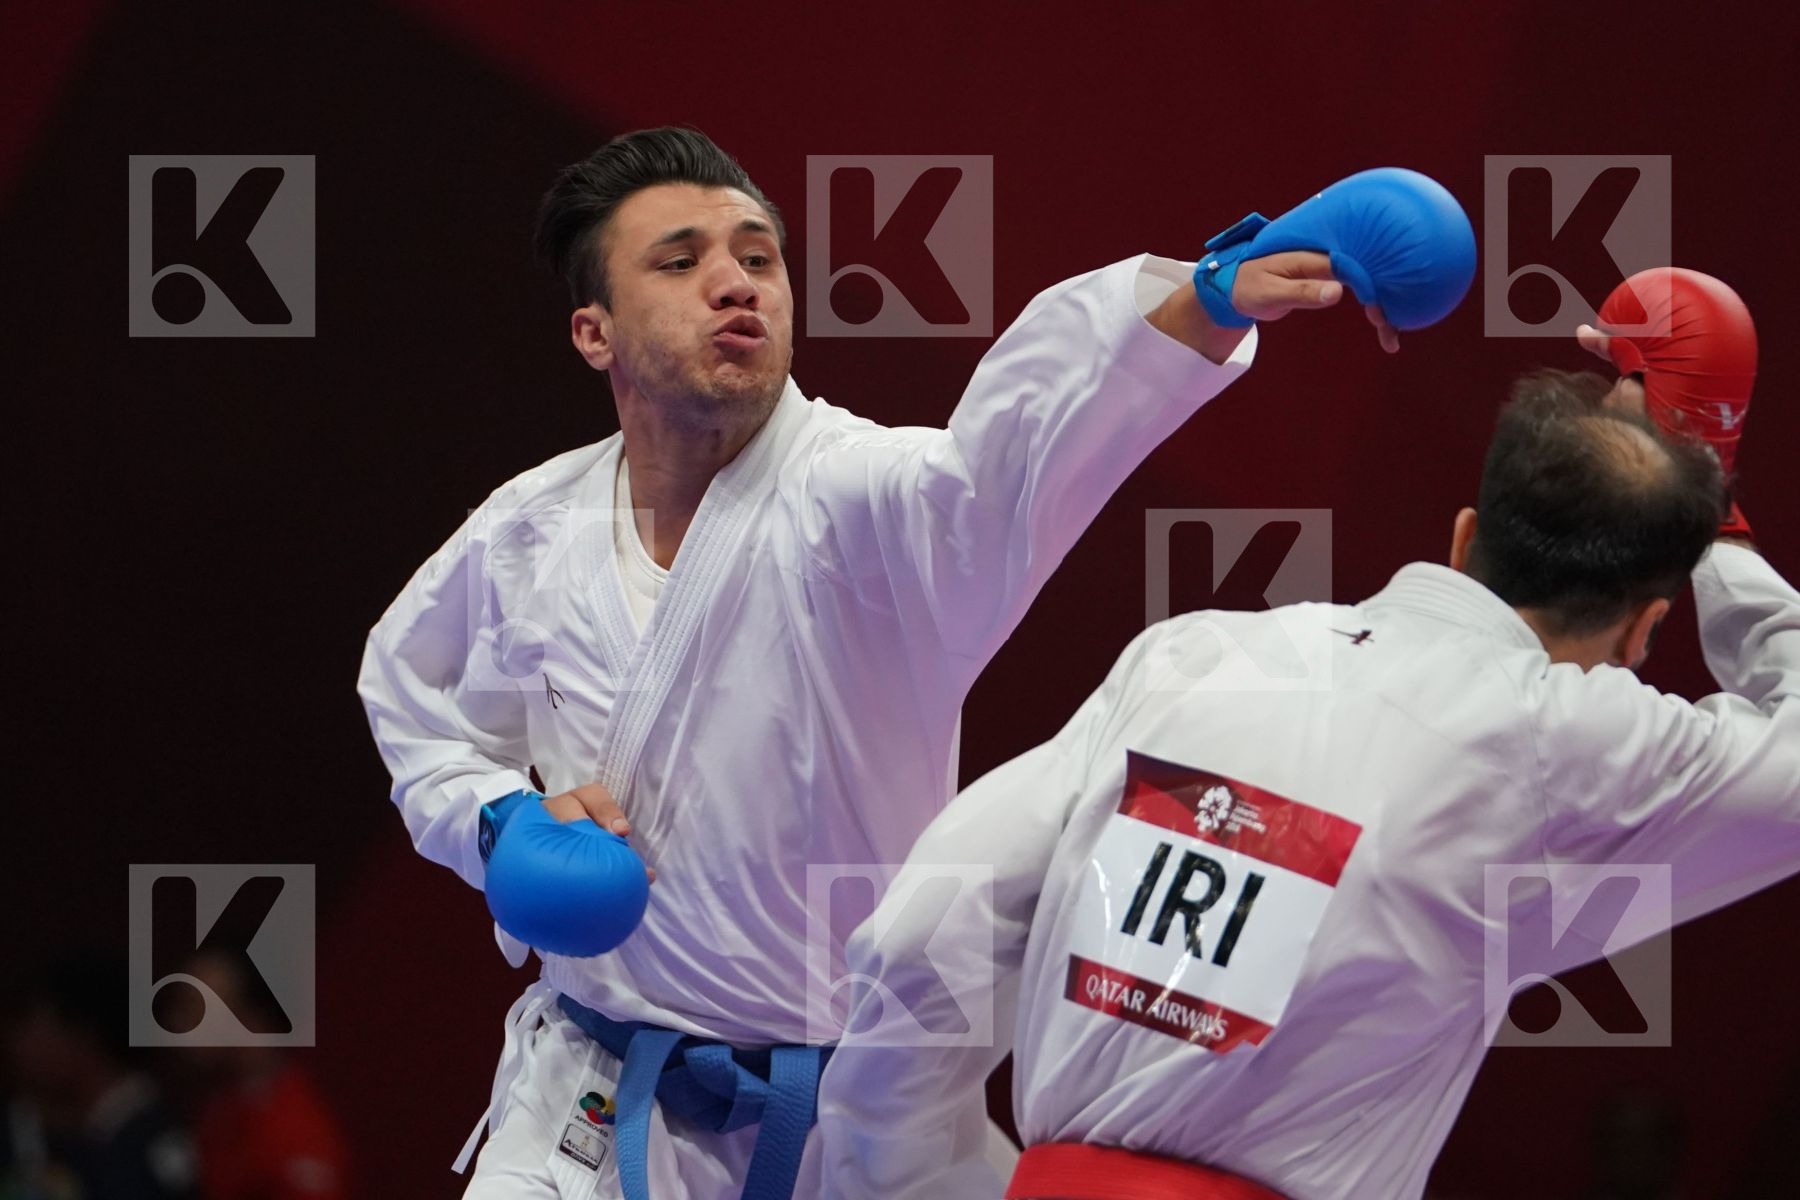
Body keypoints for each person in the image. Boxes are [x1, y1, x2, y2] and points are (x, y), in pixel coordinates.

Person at [356, 126, 1433, 1200]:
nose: (734, 283)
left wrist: (1200, 303)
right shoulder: (526, 531)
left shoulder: (871, 503)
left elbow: (1014, 464)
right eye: (680, 262)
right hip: (594, 1100)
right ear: (594, 332)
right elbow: (413, 698)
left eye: (758, 257)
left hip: (853, 1127)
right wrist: (498, 820)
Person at [819, 284, 1795, 1199]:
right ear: (1641, 634)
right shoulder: (1576, 744)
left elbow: (922, 934)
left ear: (1462, 540)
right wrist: (1712, 490)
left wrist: (926, 1178)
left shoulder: (1192, 653)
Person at [1, 952, 199, 1200]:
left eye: (34, 1028)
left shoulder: (158, 1144)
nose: (17, 1045)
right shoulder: (27, 1131)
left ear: (85, 1037)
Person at [162, 949, 350, 1200]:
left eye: (198, 1009)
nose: (177, 1023)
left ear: (252, 1019)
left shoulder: (295, 1137)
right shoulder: (220, 1113)